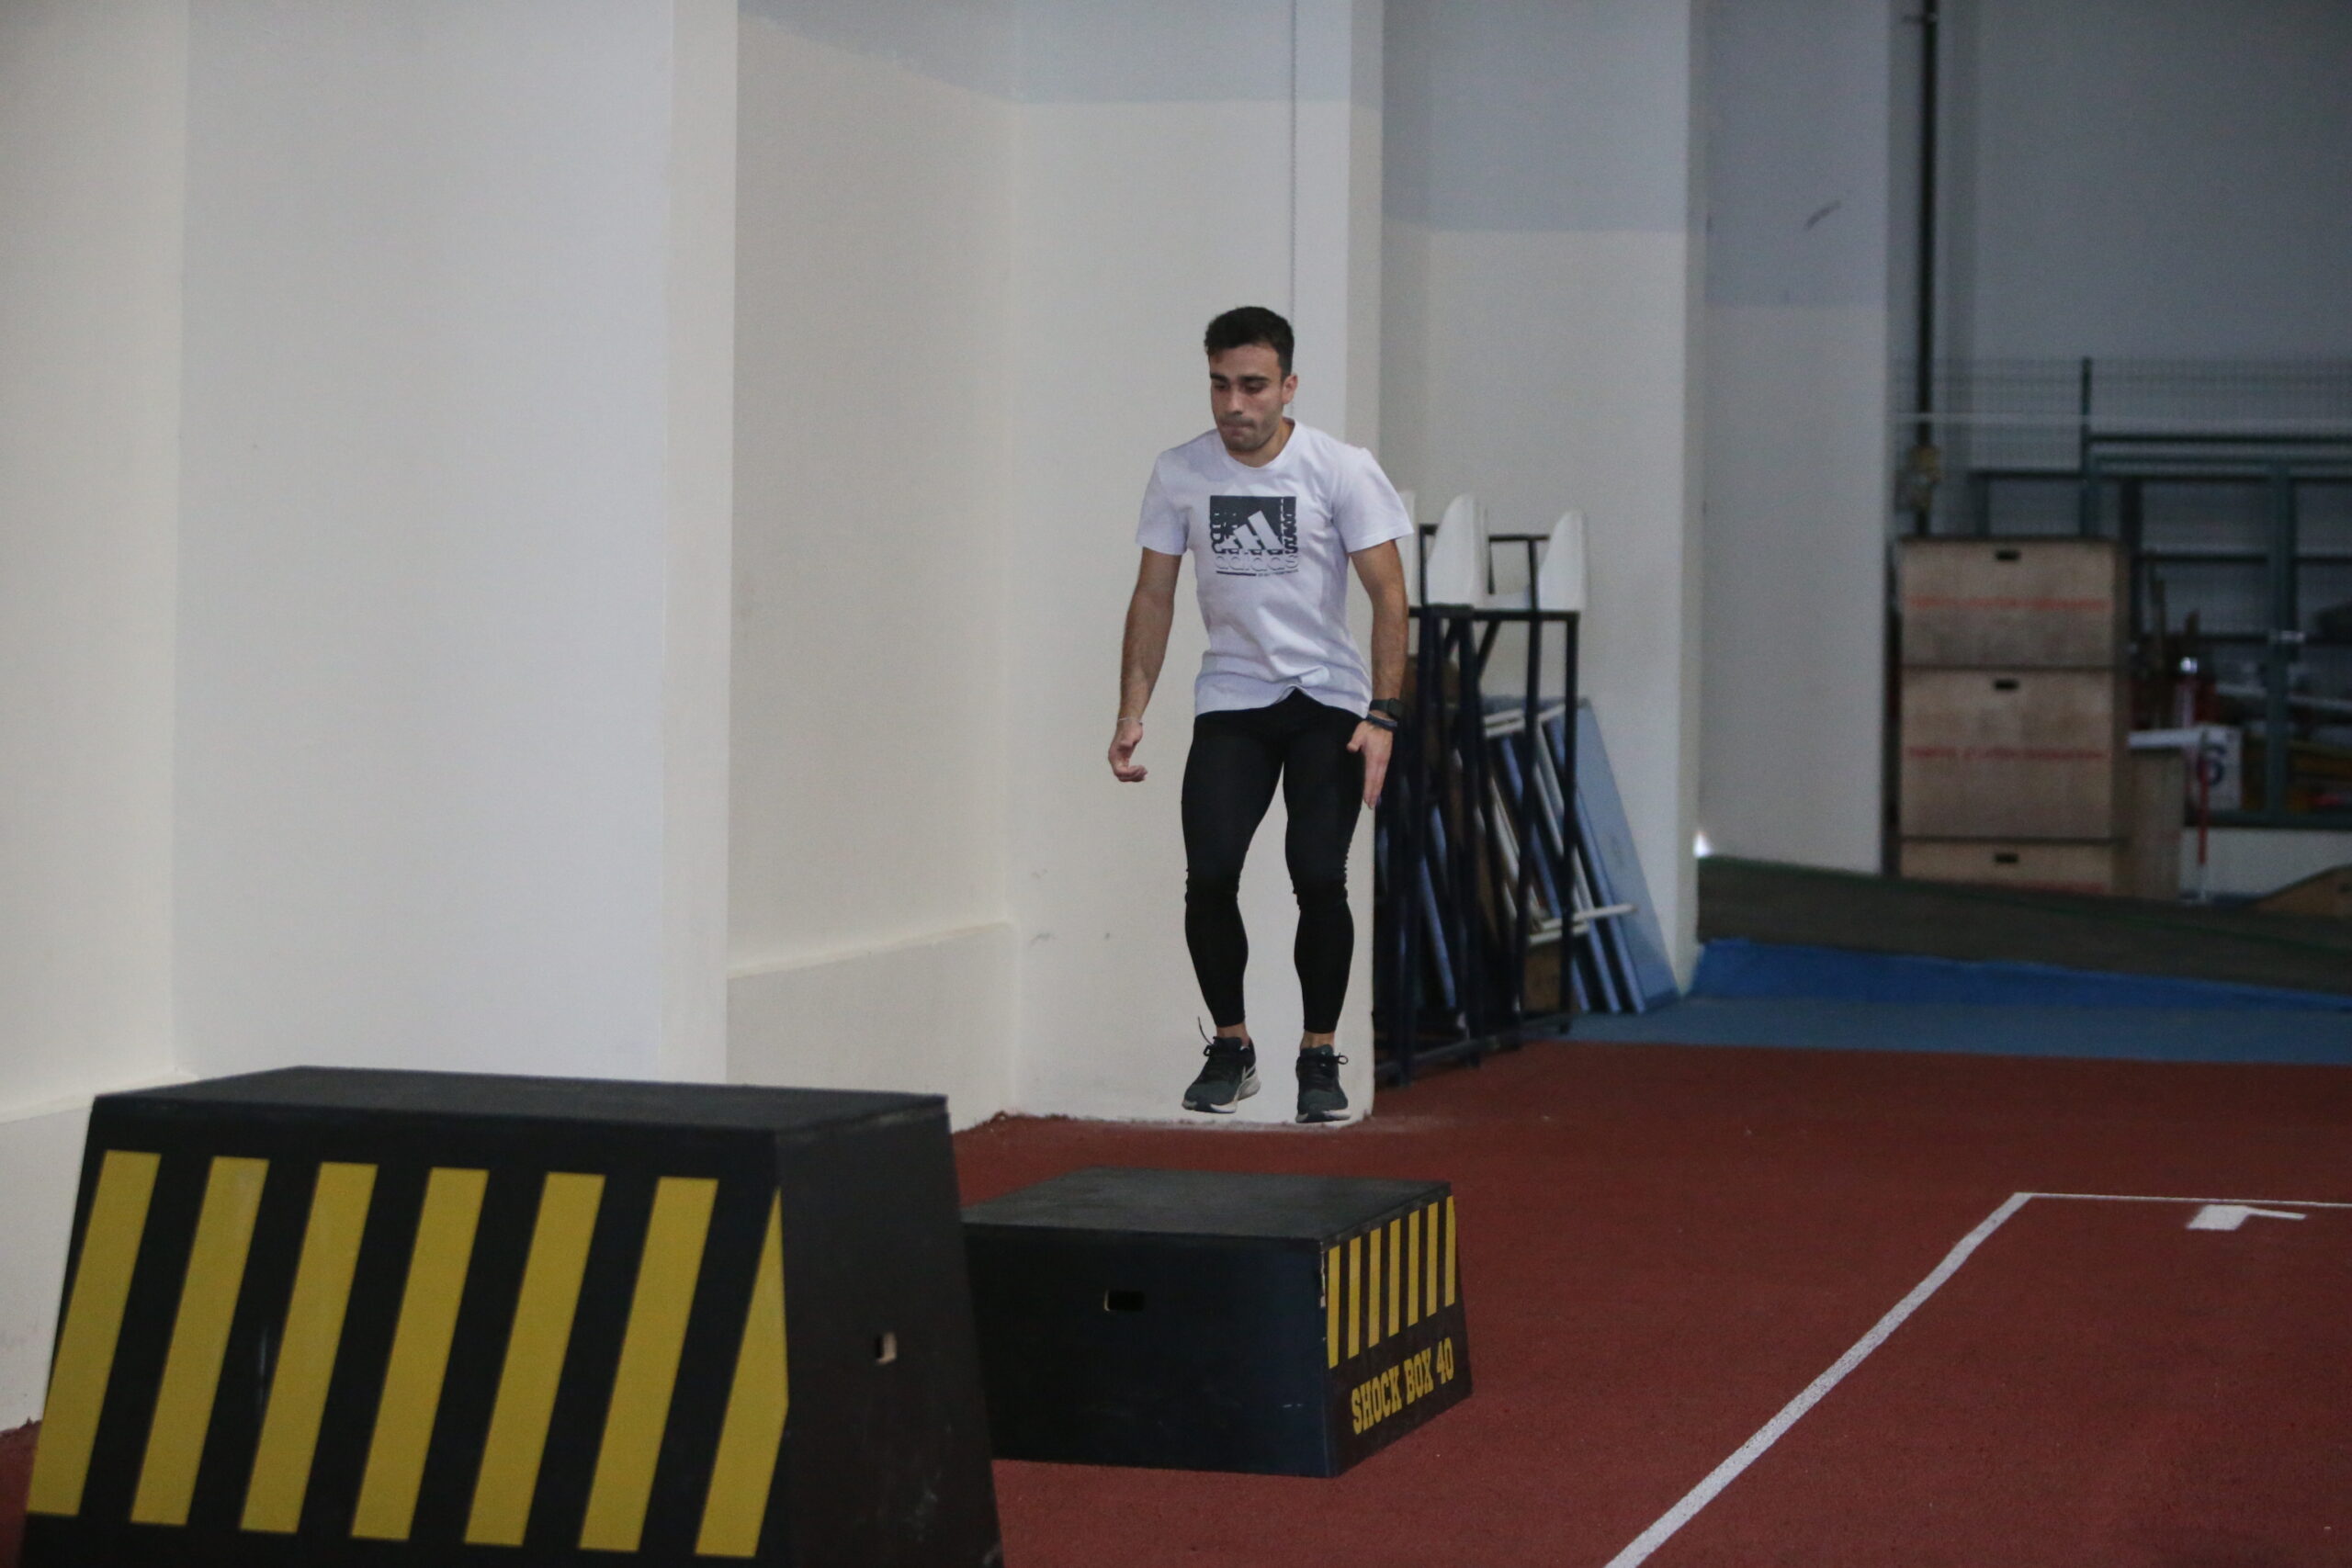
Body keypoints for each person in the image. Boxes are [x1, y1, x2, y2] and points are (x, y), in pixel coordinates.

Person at [1110, 306, 1411, 1123]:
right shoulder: (1180, 472)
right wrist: (1132, 708)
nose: (1234, 405)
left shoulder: (1339, 469)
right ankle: (1232, 1046)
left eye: (1252, 386)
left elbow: (1389, 594)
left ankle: (1318, 1053)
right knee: (1210, 872)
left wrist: (1384, 714)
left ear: (1288, 386)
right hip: (1233, 698)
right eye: (1220, 385)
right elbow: (1154, 594)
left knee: (1318, 872)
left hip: (1326, 700)